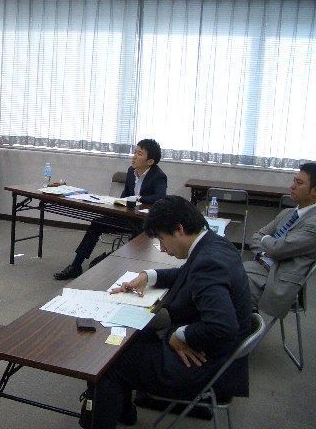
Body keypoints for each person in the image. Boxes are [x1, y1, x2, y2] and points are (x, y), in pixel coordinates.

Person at [85, 196, 252, 429]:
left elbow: (223, 326)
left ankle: (112, 415)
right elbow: (187, 274)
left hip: (205, 362)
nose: (162, 248)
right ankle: (123, 412)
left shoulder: (208, 263)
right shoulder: (214, 244)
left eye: (162, 239)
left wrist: (179, 335)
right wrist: (149, 276)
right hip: (218, 353)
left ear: (179, 229)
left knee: (107, 363)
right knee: (131, 336)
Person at [54, 139, 167, 280]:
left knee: (136, 238)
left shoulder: (158, 176)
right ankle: (76, 266)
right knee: (97, 223)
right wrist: (116, 204)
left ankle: (119, 268)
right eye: (135, 152)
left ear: (150, 161)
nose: (134, 156)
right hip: (127, 217)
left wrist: (138, 198)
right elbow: (125, 196)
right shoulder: (131, 171)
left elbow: (160, 197)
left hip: (143, 222)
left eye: (139, 154)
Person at [245, 162, 316, 318]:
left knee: (222, 287)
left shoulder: (314, 223)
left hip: (276, 280)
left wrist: (268, 242)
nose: (292, 186)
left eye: (299, 183)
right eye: (294, 181)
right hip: (258, 266)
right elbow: (256, 236)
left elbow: (278, 248)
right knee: (214, 273)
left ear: (314, 192)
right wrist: (268, 249)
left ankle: (242, 326)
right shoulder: (288, 213)